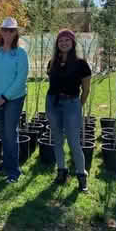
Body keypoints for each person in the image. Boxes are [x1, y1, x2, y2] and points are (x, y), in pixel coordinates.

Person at [46, 29, 91, 192]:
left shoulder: (81, 64)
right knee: (57, 139)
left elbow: (86, 90)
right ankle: (61, 172)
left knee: (73, 142)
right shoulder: (52, 63)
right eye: (60, 41)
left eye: (67, 40)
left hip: (72, 103)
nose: (63, 43)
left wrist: (78, 105)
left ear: (72, 43)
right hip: (53, 103)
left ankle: (81, 175)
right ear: (57, 44)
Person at [0, 17, 29, 184]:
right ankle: (5, 163)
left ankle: (13, 171)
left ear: (15, 33)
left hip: (14, 99)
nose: (7, 33)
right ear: (1, 32)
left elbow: (21, 78)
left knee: (11, 133)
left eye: (11, 30)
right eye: (5, 30)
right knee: (3, 133)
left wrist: (4, 97)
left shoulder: (20, 53)